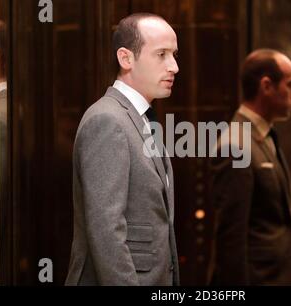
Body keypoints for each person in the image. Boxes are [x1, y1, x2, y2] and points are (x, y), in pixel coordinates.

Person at [65, 13, 180, 286]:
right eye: (161, 54)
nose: (174, 66)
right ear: (126, 58)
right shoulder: (107, 120)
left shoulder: (141, 118)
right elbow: (106, 230)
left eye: (174, 54)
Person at [207, 49, 291, 285]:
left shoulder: (265, 135)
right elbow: (230, 241)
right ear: (266, 86)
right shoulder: (235, 146)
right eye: (290, 85)